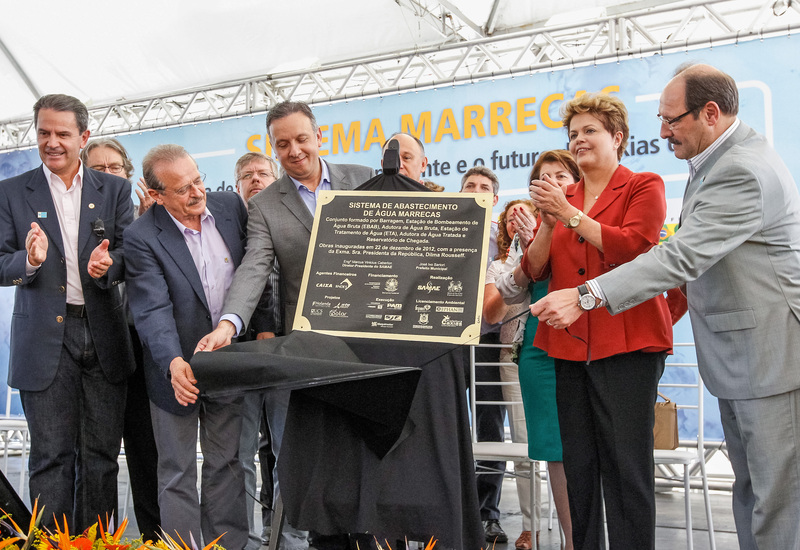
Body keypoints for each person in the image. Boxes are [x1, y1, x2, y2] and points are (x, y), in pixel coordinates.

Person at [532, 63, 800, 550]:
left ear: (710, 113)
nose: (662, 132)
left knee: (776, 500)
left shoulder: (738, 169)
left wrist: (587, 294)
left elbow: (676, 256)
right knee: (753, 492)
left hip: (767, 355)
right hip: (742, 357)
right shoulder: (713, 165)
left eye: (671, 120)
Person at [196, 100, 375, 550]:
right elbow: (254, 268)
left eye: (301, 139)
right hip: (310, 351)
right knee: (313, 453)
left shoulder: (363, 178)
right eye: (282, 144)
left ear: (319, 137)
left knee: (364, 450)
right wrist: (228, 324)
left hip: (369, 342)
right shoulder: (265, 206)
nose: (294, 151)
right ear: (273, 148)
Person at [524, 93, 673, 549]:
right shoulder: (563, 198)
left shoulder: (643, 185)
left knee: (627, 471)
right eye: (573, 133)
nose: (579, 139)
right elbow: (535, 269)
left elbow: (633, 246)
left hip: (629, 346)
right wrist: (549, 223)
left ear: (617, 137)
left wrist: (569, 214)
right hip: (568, 347)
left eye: (590, 130)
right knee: (579, 469)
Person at [0, 94, 135, 531]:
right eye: (44, 132)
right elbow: (1, 262)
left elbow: (131, 254)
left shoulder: (114, 189)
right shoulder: (10, 191)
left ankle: (95, 543)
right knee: (50, 458)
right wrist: (28, 261)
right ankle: (49, 544)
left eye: (62, 133)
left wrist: (109, 265)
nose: (52, 142)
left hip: (103, 335)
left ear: (84, 136)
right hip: (44, 342)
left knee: (101, 459)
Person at [124, 144, 249, 548]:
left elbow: (253, 275)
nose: (197, 193)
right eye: (182, 189)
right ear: (156, 195)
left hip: (229, 362)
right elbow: (151, 309)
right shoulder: (142, 235)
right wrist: (174, 363)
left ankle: (227, 546)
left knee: (226, 465)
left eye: (198, 180)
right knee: (177, 471)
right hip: (176, 370)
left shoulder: (231, 208)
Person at [494, 151, 580, 550]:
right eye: (544, 178)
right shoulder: (529, 232)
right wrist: (534, 240)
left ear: (576, 181)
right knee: (555, 450)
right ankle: (570, 541)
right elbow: (509, 290)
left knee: (589, 447)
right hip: (540, 350)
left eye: (561, 176)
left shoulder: (591, 220)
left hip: (590, 345)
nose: (553, 183)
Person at [81, 138, 161, 540]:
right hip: (99, 348)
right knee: (98, 454)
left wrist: (149, 228)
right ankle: (98, 540)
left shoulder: (152, 217)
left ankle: (156, 540)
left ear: (128, 174)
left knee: (148, 452)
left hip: (145, 349)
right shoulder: (77, 220)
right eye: (98, 168)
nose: (108, 174)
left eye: (115, 167)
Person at [482, 198, 539, 550]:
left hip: (555, 356)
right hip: (513, 358)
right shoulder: (497, 267)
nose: (517, 222)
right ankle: (531, 526)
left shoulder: (552, 254)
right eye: (510, 218)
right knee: (522, 445)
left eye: (524, 215)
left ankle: (576, 524)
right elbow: (491, 315)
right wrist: (514, 272)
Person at [232, 151, 282, 550]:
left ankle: (286, 536)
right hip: (239, 356)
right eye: (247, 175)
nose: (255, 180)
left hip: (287, 352)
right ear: (236, 186)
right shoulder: (226, 228)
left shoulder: (289, 221)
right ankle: (243, 537)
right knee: (240, 453)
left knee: (286, 451)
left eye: (263, 173)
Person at [458, 166, 509, 544]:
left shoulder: (503, 239)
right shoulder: (441, 231)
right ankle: (446, 509)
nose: (476, 190)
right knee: (443, 422)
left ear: (494, 199)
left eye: (484, 187)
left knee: (490, 427)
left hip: (489, 343)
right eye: (469, 186)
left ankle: (487, 513)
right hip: (446, 344)